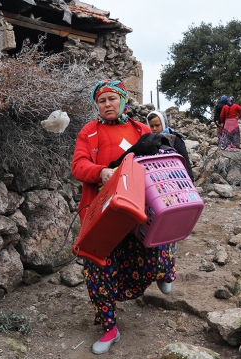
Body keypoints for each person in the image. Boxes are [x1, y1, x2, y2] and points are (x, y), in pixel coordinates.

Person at [71, 79, 176, 355]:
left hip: (138, 205)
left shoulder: (139, 129)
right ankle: (109, 328)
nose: (107, 104)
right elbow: (78, 165)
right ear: (97, 105)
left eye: (112, 99)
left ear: (122, 101)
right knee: (98, 265)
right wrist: (100, 172)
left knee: (156, 239)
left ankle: (164, 273)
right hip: (102, 211)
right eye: (102, 101)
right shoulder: (89, 132)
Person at [146, 110, 195, 182]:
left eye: (157, 125)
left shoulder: (174, 139)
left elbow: (185, 160)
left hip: (177, 179)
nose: (154, 129)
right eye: (151, 126)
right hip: (160, 181)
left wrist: (190, 180)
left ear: (163, 123)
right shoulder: (149, 141)